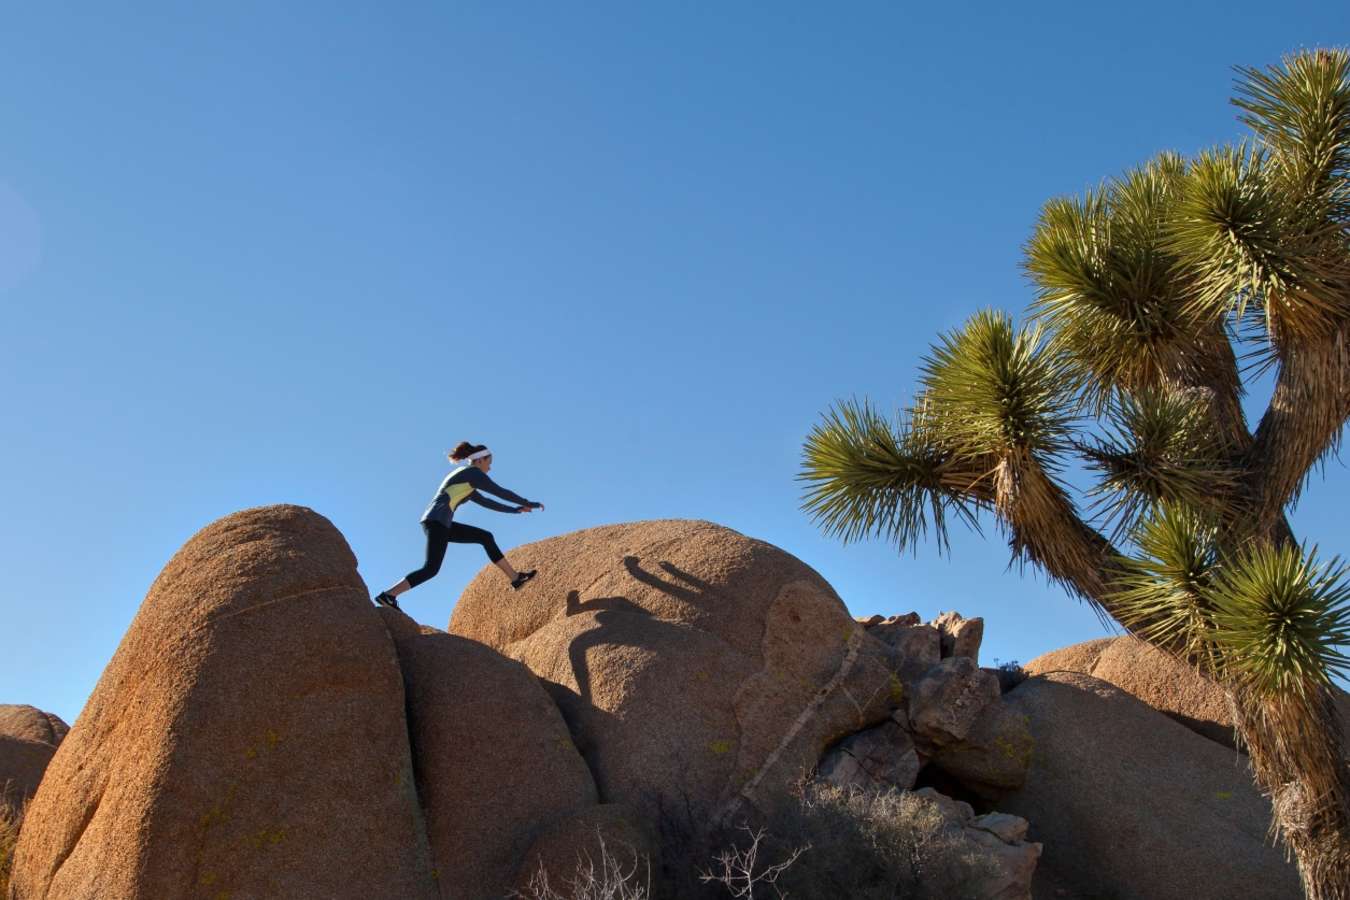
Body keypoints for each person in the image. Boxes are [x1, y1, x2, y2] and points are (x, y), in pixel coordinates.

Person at [373, 442, 544, 610]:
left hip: (441, 523)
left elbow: (486, 502)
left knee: (485, 537)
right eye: (489, 463)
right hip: (436, 522)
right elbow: (499, 491)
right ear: (480, 460)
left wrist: (515, 510)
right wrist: (528, 502)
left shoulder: (467, 479)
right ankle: (389, 595)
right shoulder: (472, 474)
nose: (489, 468)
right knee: (431, 568)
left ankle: (515, 578)